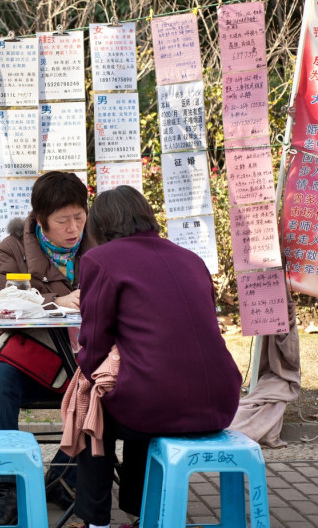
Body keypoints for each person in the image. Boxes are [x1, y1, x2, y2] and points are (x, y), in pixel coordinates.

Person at [73, 186, 241, 528]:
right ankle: (142, 512)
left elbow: (93, 342)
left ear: (99, 226)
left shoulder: (99, 260)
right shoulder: (189, 258)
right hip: (221, 401)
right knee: (140, 395)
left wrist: (90, 377)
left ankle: (96, 521)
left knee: (92, 409)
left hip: (157, 402)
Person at [0, 171, 95, 525]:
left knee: (106, 381)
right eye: (63, 220)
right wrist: (57, 300)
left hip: (81, 362)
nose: (74, 227)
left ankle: (63, 477)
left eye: (79, 216)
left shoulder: (100, 245)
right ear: (40, 220)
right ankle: (6, 490)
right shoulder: (12, 248)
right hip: (24, 359)